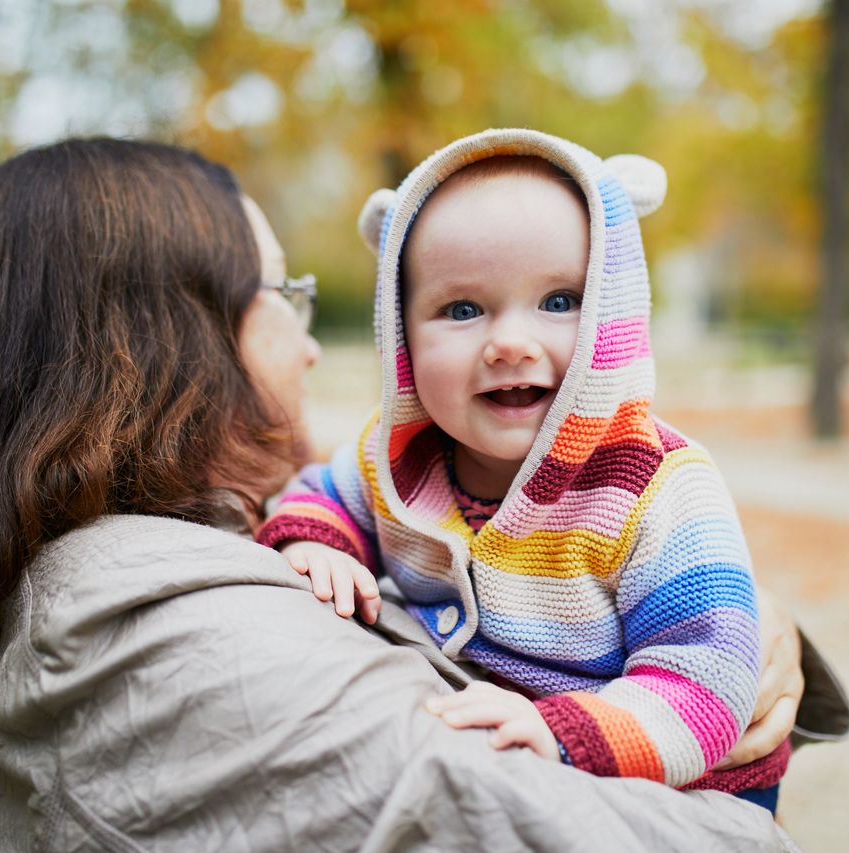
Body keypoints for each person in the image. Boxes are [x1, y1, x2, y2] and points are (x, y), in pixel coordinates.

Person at [0, 138, 835, 851]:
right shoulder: (147, 636)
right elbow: (492, 809)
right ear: (153, 336)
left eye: (561, 299)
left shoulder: (168, 559)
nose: (311, 343)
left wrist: (736, 627)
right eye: (283, 296)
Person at [258, 129, 786, 812]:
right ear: (401, 334)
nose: (510, 342)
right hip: (511, 748)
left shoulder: (657, 488)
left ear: (615, 311)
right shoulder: (395, 459)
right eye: (463, 309)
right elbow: (325, 494)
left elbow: (706, 676)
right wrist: (313, 542)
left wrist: (564, 730)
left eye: (560, 300)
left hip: (681, 777)